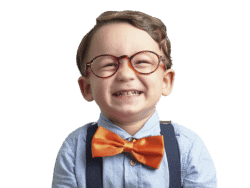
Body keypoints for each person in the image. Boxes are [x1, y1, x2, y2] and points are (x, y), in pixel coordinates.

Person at [51, 10, 218, 188]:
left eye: (142, 62)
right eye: (108, 64)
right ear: (86, 88)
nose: (125, 74)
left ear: (166, 81)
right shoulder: (74, 148)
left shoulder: (188, 147)